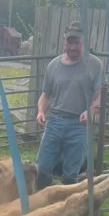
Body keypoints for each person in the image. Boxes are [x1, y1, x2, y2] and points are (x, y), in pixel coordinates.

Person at [35, 21, 103, 190]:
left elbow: (100, 95)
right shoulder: (54, 65)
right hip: (54, 122)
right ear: (64, 41)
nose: (72, 47)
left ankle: (65, 208)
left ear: (84, 42)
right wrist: (41, 111)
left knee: (70, 174)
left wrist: (91, 110)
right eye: (69, 42)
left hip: (79, 125)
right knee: (42, 169)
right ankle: (42, 205)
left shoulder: (95, 65)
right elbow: (46, 94)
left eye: (77, 43)